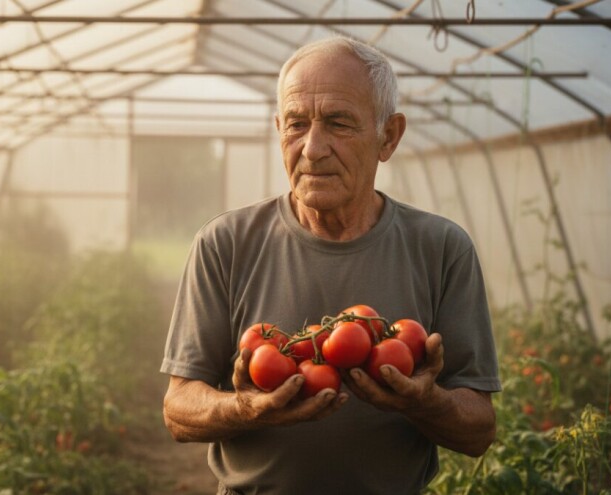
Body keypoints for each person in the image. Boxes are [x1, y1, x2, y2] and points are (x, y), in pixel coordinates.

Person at [160, 35, 501, 495]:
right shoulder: (225, 244)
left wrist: (427, 403)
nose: (313, 147)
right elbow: (178, 410)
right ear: (279, 129)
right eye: (296, 124)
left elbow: (479, 431)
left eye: (339, 123)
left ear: (389, 136)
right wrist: (246, 408)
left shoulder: (441, 248)